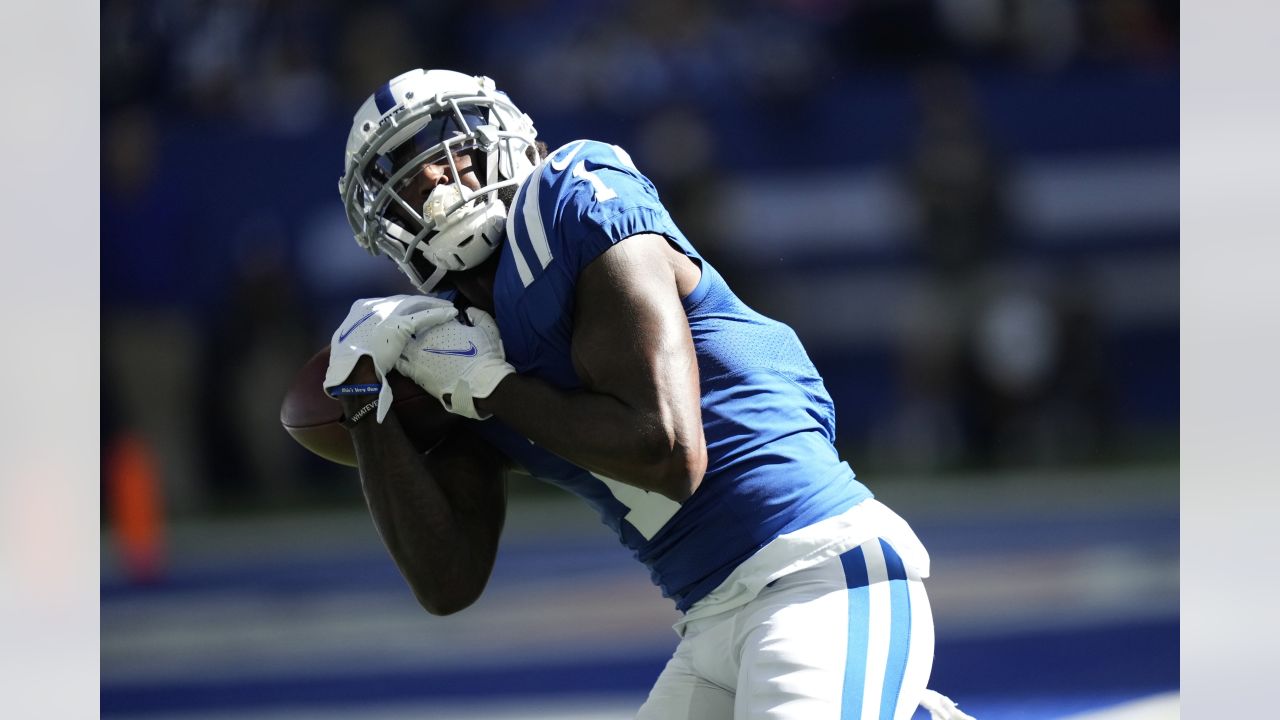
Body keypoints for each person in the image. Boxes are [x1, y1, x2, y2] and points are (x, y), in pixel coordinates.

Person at [322, 68, 973, 720]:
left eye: (441, 145)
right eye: (401, 172)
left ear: (500, 133)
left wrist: (490, 387)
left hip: (816, 577)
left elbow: (669, 454)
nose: (431, 176)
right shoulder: (447, 342)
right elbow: (447, 584)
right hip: (710, 620)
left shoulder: (573, 197)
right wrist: (361, 401)